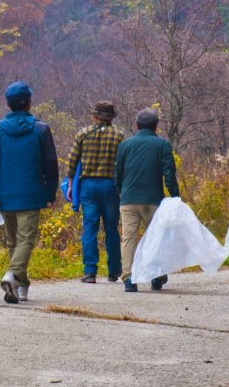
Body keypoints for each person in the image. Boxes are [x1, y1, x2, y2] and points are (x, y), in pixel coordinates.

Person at [0, 81, 59, 304]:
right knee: (26, 240)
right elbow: (51, 164)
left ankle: (21, 287)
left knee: (14, 242)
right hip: (32, 194)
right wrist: (51, 193)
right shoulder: (41, 129)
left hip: (5, 195)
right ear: (29, 102)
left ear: (8, 104)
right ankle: (13, 275)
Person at [114, 108, 180, 292]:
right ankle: (157, 277)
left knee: (128, 238)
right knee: (156, 238)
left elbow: (118, 172)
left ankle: (128, 279)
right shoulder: (162, 145)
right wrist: (175, 195)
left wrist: (121, 191)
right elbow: (169, 173)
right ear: (156, 125)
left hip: (128, 199)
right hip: (153, 199)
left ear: (137, 125)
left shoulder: (125, 145)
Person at [64, 101, 125, 283]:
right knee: (111, 229)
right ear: (111, 117)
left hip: (88, 186)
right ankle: (114, 270)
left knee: (89, 228)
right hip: (111, 186)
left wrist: (70, 184)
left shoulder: (83, 133)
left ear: (95, 116)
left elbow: (72, 161)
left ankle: (90, 271)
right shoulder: (119, 135)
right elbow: (123, 163)